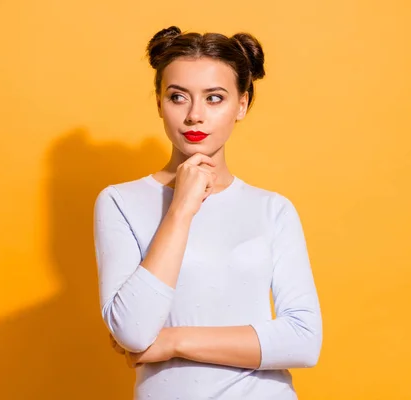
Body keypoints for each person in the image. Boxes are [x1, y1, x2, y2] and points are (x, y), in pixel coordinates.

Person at [93, 26, 322, 400]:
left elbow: (304, 340)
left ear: (242, 104)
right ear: (158, 103)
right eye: (178, 97)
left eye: (214, 98)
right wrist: (181, 208)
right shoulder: (120, 201)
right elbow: (132, 331)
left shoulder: (272, 209)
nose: (194, 115)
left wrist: (173, 341)